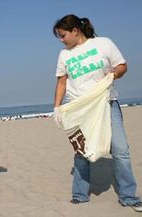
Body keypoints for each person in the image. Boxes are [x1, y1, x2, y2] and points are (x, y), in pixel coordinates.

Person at [52, 14, 142, 212]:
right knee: (81, 152)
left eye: (62, 35)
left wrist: (114, 74)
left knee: (121, 150)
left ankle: (128, 196)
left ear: (75, 31)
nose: (61, 40)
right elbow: (62, 81)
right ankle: (79, 195)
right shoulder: (64, 55)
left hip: (106, 103)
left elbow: (122, 66)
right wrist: (57, 107)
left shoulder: (103, 44)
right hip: (79, 109)